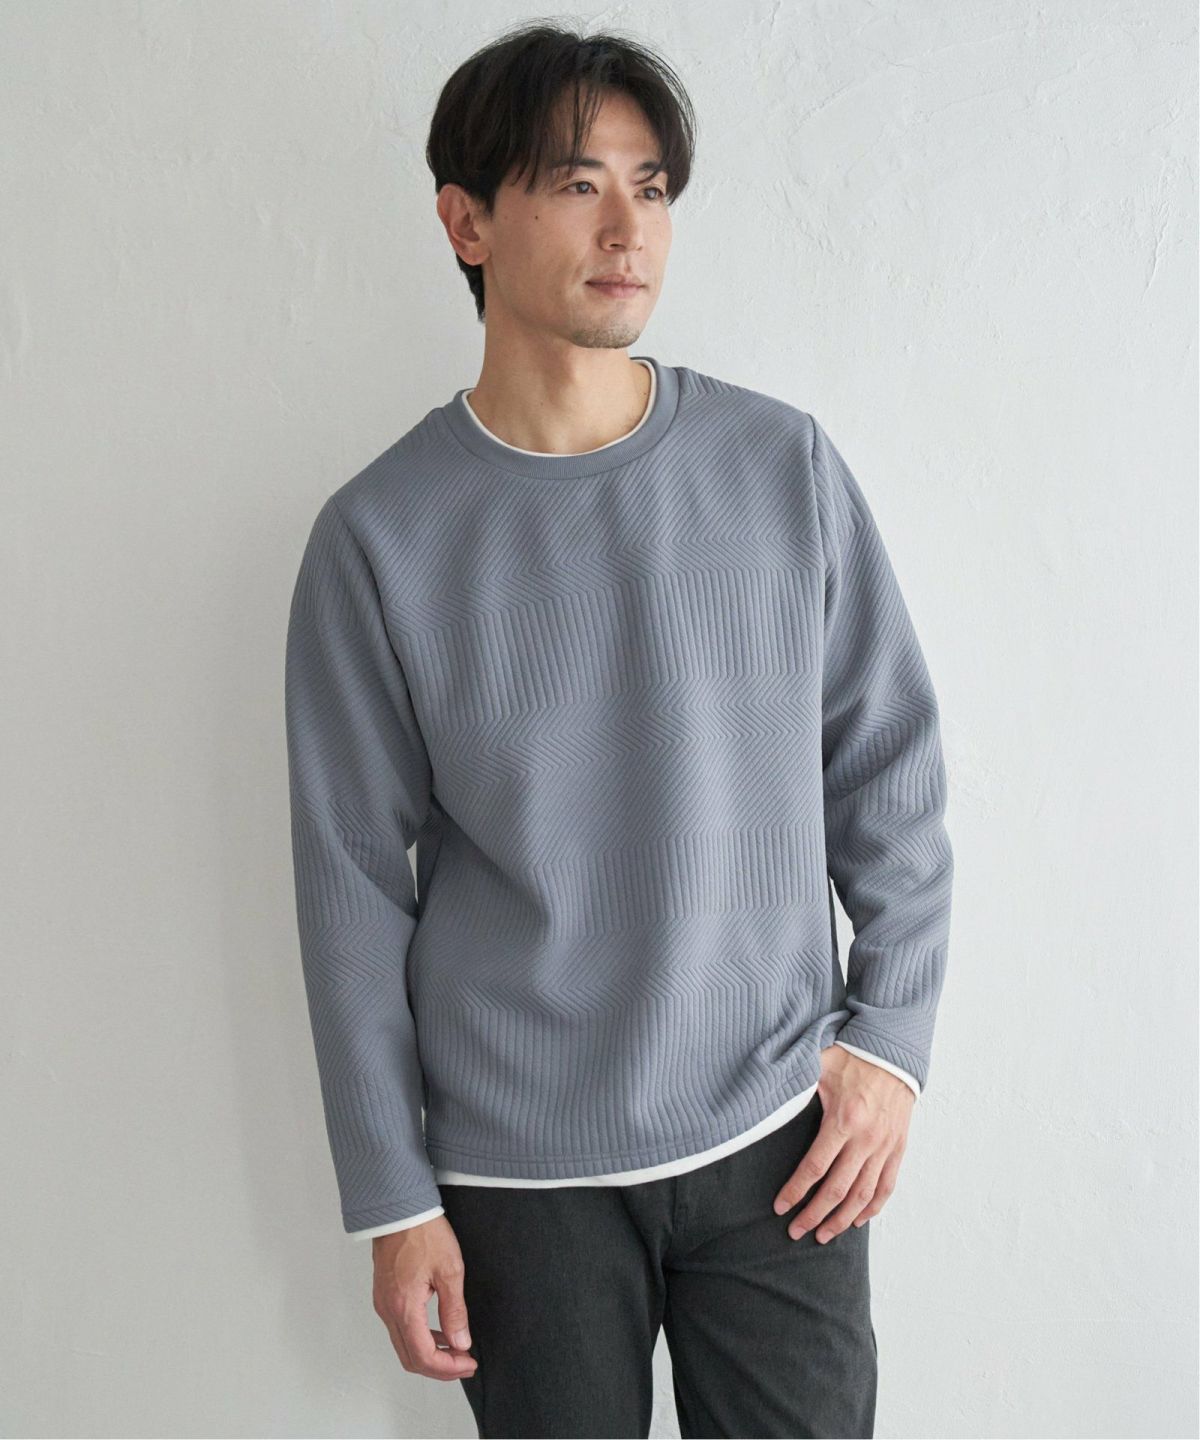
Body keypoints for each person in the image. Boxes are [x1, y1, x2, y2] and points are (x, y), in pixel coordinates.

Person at [284, 21, 953, 1440]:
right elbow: (348, 884)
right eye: (577, 183)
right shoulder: (378, 539)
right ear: (466, 221)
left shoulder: (780, 466)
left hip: (782, 1143)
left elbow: (888, 766)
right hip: (516, 1179)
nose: (627, 227)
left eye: (650, 188)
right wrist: (394, 1199)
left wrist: (890, 1040)